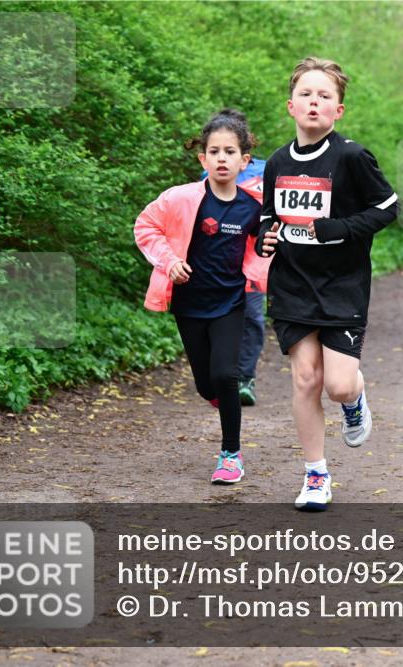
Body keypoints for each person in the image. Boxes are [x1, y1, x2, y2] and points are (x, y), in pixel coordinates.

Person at [259, 57, 399, 511]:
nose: (314, 102)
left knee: (337, 386)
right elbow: (268, 216)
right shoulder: (277, 161)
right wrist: (266, 236)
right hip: (293, 284)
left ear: (338, 110)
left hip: (342, 285)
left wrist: (339, 228)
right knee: (305, 380)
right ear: (291, 105)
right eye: (306, 94)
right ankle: (316, 475)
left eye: (324, 96)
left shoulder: (353, 157)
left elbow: (388, 208)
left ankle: (354, 400)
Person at [134, 109, 264, 485]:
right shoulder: (180, 199)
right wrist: (169, 260)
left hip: (231, 303)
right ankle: (217, 395)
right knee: (206, 385)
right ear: (202, 157)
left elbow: (266, 247)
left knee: (227, 376)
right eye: (214, 151)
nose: (222, 158)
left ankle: (230, 454)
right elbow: (146, 226)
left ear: (244, 160)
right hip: (189, 304)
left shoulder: (253, 207)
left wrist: (267, 258)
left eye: (230, 152)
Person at [201, 156, 270, 407]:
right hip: (218, 265)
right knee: (214, 319)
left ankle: (245, 378)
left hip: (252, 262)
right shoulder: (207, 173)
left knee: (251, 316)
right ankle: (218, 374)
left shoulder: (268, 170)